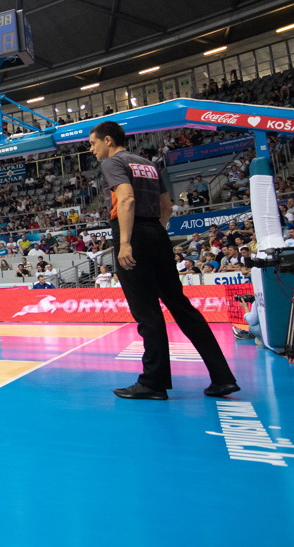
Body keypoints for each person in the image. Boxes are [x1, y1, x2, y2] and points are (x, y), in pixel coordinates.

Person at [89, 120, 239, 399]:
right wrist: (155, 231)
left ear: (108, 140)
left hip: (133, 234)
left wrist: (125, 242)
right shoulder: (148, 164)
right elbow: (167, 206)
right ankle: (222, 377)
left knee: (147, 313)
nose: (92, 148)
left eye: (93, 143)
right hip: (158, 233)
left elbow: (127, 200)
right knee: (183, 308)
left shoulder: (113, 163)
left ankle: (153, 383)